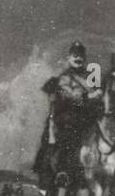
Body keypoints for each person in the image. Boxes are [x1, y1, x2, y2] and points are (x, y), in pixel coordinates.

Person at [34, 41, 102, 179]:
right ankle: (62, 170)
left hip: (87, 117)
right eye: (75, 55)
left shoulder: (90, 77)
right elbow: (69, 96)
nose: (78, 58)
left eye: (81, 55)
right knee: (69, 133)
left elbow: (97, 96)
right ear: (69, 58)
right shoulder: (64, 77)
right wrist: (90, 95)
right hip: (68, 116)